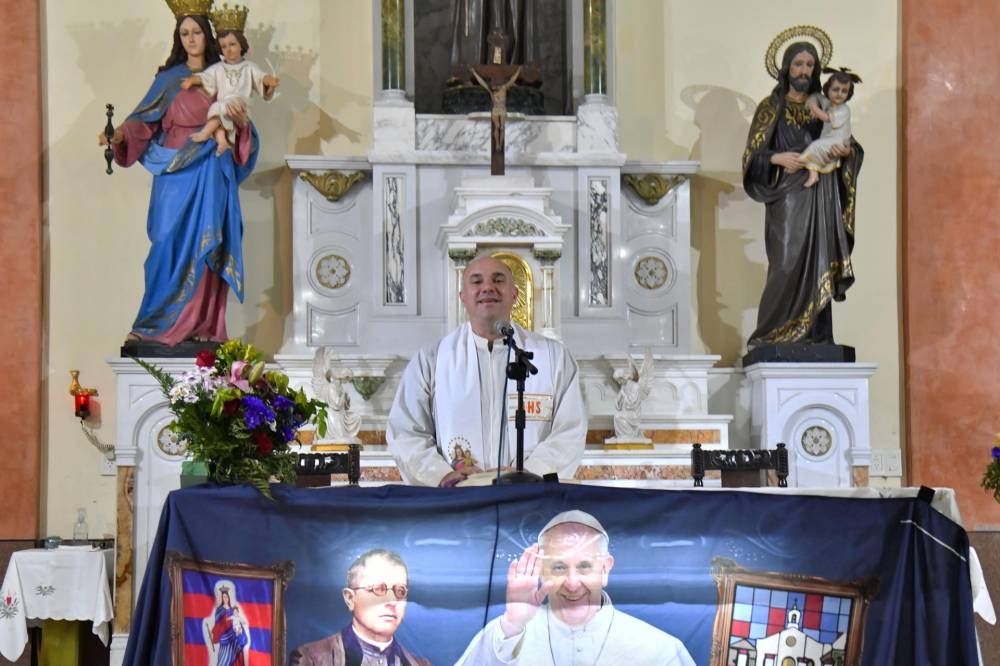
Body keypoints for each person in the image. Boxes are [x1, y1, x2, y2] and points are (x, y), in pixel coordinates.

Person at [98, 2, 259, 347]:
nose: (191, 39)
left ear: (207, 35)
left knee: (208, 240)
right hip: (172, 171)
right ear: (178, 37)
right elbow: (142, 122)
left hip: (211, 168)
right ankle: (152, 325)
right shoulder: (168, 80)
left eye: (196, 32)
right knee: (165, 240)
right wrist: (119, 134)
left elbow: (241, 127)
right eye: (184, 33)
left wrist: (242, 124)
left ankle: (202, 325)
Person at [386, 254, 586, 487]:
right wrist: (442, 475)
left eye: (498, 280)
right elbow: (406, 431)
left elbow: (570, 429)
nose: (488, 287)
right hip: (459, 498)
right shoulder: (431, 360)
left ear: (515, 294)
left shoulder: (553, 358)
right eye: (476, 281)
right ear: (462, 296)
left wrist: (529, 474)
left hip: (530, 496)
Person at [742, 42, 863, 351]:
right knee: (785, 262)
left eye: (810, 65)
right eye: (798, 64)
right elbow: (753, 155)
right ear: (786, 68)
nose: (804, 71)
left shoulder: (826, 105)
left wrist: (846, 152)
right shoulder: (772, 107)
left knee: (819, 261)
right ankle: (771, 335)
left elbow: (846, 143)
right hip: (787, 194)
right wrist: (776, 158)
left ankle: (816, 336)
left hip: (820, 194)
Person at [455, 510, 695, 665]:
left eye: (584, 567)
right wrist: (512, 625)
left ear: (605, 569)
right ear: (542, 570)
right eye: (559, 567)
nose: (572, 583)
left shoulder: (659, 650)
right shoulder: (504, 634)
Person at [289, 549, 430, 666]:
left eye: (400, 591)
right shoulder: (311, 659)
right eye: (378, 589)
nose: (392, 601)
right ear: (350, 598)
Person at [182, 4, 278, 156]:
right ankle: (222, 142)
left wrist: (269, 81)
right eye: (224, 46)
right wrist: (193, 80)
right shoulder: (219, 67)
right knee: (220, 118)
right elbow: (206, 77)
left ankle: (205, 133)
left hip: (239, 105)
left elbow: (260, 77)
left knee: (218, 108)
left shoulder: (248, 67)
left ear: (241, 45)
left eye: (232, 44)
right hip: (224, 105)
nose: (229, 49)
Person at [800, 69, 859, 188]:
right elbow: (816, 96)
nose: (839, 94)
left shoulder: (844, 109)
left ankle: (800, 165)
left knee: (815, 147)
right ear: (828, 89)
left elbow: (826, 118)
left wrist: (814, 108)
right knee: (816, 148)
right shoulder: (828, 103)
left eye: (844, 91)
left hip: (837, 142)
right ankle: (812, 173)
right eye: (836, 89)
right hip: (828, 140)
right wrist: (813, 100)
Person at [205, 582, 250, 666]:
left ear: (229, 597)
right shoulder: (219, 610)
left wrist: (240, 631)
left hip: (234, 639)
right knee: (223, 661)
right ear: (222, 598)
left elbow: (237, 620)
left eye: (226, 596)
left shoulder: (233, 610)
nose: (225, 598)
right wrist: (213, 633)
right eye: (223, 597)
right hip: (224, 640)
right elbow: (217, 624)